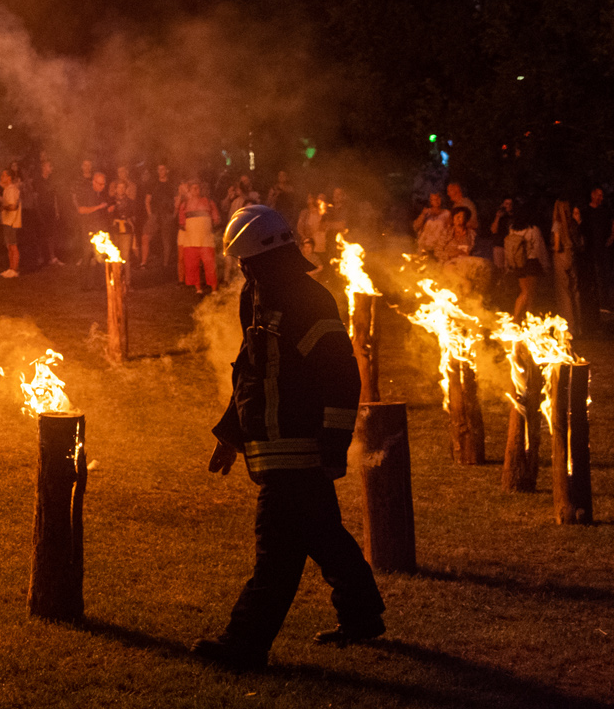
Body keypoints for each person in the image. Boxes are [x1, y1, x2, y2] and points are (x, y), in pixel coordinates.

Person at [195, 205, 383, 670]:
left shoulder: (309, 301)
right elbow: (251, 373)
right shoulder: (255, 296)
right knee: (322, 534)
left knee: (276, 553)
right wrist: (232, 434)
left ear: (261, 257)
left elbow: (342, 378)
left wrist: (333, 446)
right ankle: (363, 617)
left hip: (299, 450)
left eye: (244, 260)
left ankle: (244, 644)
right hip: (271, 445)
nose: (241, 268)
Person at [504, 204, 547, 321]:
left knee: (524, 291)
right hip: (531, 263)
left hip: (519, 264)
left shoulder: (512, 229)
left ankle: (524, 318)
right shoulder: (533, 229)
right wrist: (545, 265)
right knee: (529, 293)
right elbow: (538, 249)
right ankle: (519, 317)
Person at [178, 181, 221, 296]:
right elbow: (181, 222)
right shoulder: (185, 204)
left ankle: (214, 289)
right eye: (193, 188)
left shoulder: (208, 202)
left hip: (206, 240)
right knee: (192, 266)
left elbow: (216, 219)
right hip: (190, 241)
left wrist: (210, 226)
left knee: (210, 265)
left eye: (197, 188)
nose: (195, 191)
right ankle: (198, 288)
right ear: (190, 190)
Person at [581, 187, 614, 312]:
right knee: (595, 276)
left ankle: (604, 303)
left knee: (604, 276)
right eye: (599, 195)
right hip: (592, 248)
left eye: (602, 195)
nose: (601, 198)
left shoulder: (605, 210)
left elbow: (613, 221)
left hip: (604, 247)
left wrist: (612, 236)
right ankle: (595, 302)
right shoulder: (586, 211)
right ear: (592, 195)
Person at [551, 199, 584, 333]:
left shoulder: (557, 224)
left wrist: (552, 247)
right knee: (575, 290)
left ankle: (568, 326)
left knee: (564, 291)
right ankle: (579, 326)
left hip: (561, 256)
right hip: (572, 256)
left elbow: (557, 246)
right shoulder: (572, 224)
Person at [141, 163, 173, 268]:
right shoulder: (153, 184)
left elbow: (176, 200)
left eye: (163, 169)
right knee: (145, 236)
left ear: (167, 170)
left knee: (166, 240)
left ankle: (165, 264)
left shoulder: (171, 184)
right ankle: (144, 262)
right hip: (155, 214)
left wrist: (173, 215)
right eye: (159, 170)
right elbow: (147, 201)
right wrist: (150, 215)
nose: (160, 172)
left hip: (166, 214)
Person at [0, 168, 24, 278]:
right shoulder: (7, 189)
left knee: (13, 246)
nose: (1, 177)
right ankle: (11, 268)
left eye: (3, 175)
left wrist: (1, 206)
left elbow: (13, 206)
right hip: (7, 221)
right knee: (9, 246)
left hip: (12, 222)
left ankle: (15, 270)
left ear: (9, 178)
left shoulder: (12, 190)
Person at [412, 192, 452, 257]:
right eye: (434, 199)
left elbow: (450, 229)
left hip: (439, 245)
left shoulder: (446, 213)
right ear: (430, 202)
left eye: (438, 198)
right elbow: (416, 226)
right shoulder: (426, 212)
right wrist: (423, 215)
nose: (437, 201)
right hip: (425, 244)